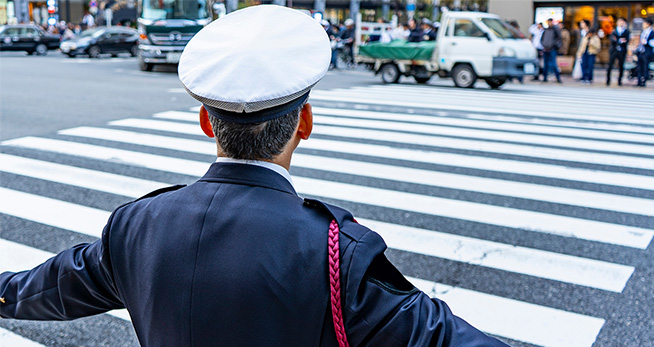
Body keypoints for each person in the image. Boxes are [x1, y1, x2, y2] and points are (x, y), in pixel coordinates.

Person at [0, 5, 509, 346]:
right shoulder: (336, 254)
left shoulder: (136, 228)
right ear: (304, 124)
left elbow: (35, 292)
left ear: (206, 123)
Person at [606, 17, 630, 86]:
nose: (621, 23)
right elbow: (612, 39)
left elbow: (626, 40)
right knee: (610, 65)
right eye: (620, 21)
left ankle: (619, 80)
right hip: (613, 50)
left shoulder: (626, 31)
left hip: (622, 51)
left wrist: (619, 40)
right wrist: (620, 40)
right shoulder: (614, 31)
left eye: (622, 22)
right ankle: (608, 80)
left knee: (621, 66)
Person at [540, 18, 562, 83]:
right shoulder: (546, 30)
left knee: (554, 63)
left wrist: (554, 45)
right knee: (545, 64)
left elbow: (559, 39)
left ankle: (558, 77)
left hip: (552, 49)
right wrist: (544, 45)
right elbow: (542, 39)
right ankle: (545, 77)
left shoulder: (555, 30)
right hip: (545, 49)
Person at [635, 17, 654, 87]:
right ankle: (639, 81)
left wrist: (646, 42)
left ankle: (644, 81)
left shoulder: (652, 33)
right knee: (639, 67)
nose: (643, 24)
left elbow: (652, 43)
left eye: (644, 23)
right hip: (640, 52)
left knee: (645, 67)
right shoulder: (643, 31)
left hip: (647, 52)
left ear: (648, 24)